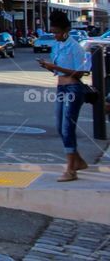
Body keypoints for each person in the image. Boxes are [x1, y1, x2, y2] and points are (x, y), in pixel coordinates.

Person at [37, 10, 91, 182]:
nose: (55, 36)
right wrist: (48, 66)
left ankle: (71, 169)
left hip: (73, 89)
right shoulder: (57, 46)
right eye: (53, 33)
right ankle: (79, 161)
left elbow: (80, 73)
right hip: (61, 88)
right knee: (60, 127)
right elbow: (57, 67)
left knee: (68, 127)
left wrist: (57, 68)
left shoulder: (75, 47)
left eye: (57, 33)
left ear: (66, 31)